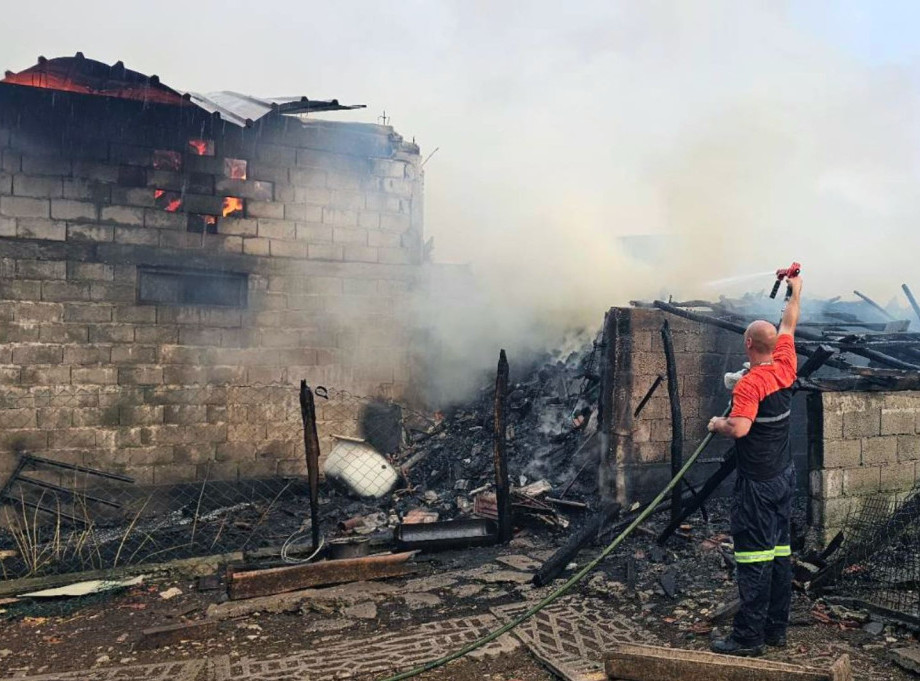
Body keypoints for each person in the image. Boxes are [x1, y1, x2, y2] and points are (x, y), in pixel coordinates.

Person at [706, 273, 802, 657]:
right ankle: (776, 630)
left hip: (758, 485)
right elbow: (789, 323)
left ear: (748, 344)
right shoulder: (786, 364)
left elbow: (740, 428)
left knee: (753, 558)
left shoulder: (750, 385)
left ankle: (747, 638)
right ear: (773, 345)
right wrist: (796, 288)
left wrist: (717, 423)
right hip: (783, 476)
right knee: (779, 553)